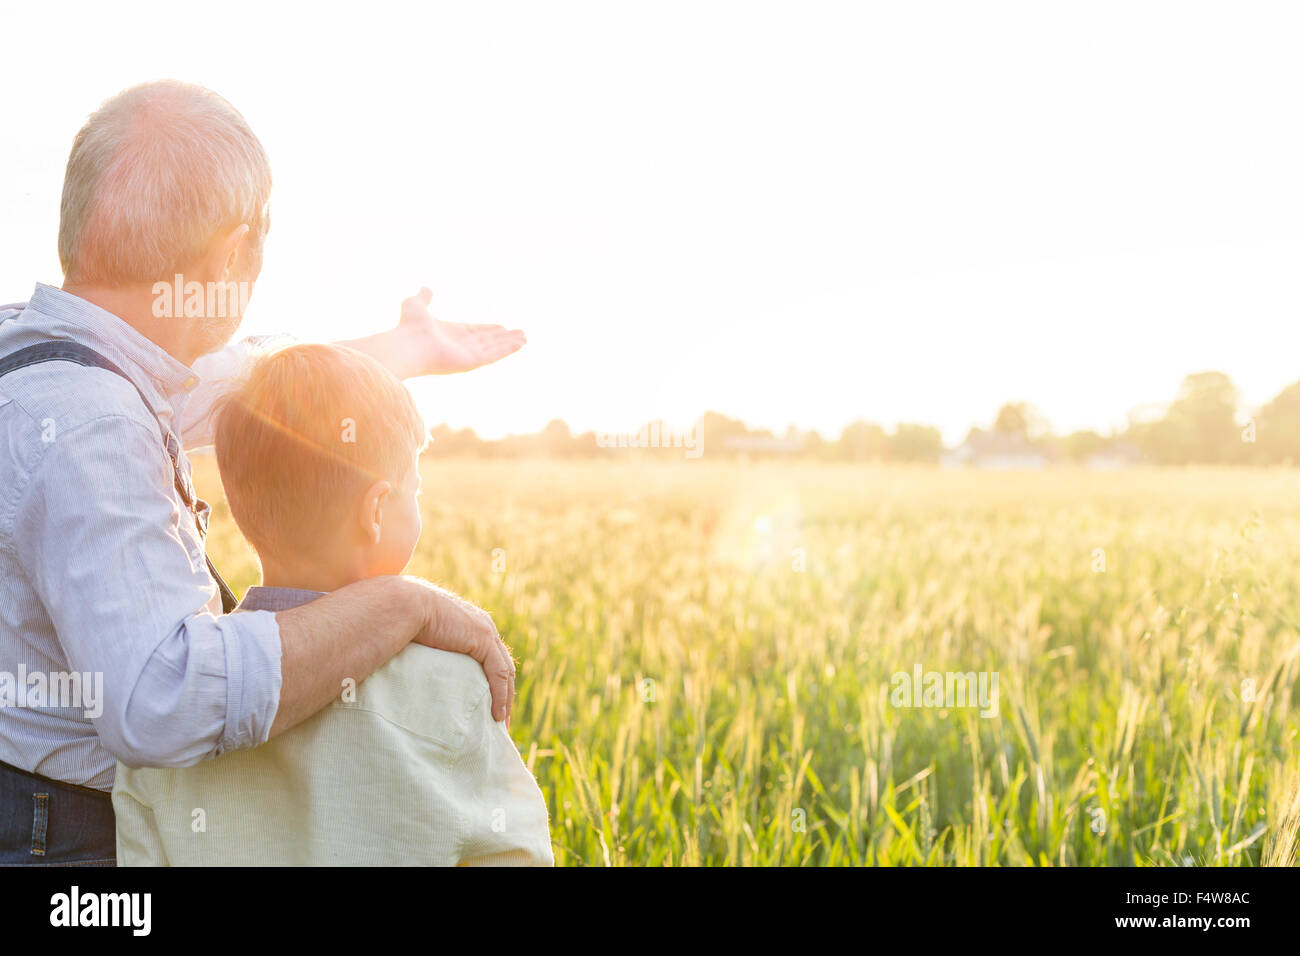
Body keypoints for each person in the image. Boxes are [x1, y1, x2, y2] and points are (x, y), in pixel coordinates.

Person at [0, 80, 524, 865]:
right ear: (234, 252)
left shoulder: (49, 357)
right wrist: (397, 607)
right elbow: (160, 699)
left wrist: (402, 353)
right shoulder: (96, 423)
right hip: (76, 842)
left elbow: (245, 393)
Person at [114, 344, 553, 865]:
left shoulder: (174, 712)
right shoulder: (451, 682)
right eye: (414, 489)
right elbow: (513, 854)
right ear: (375, 512)